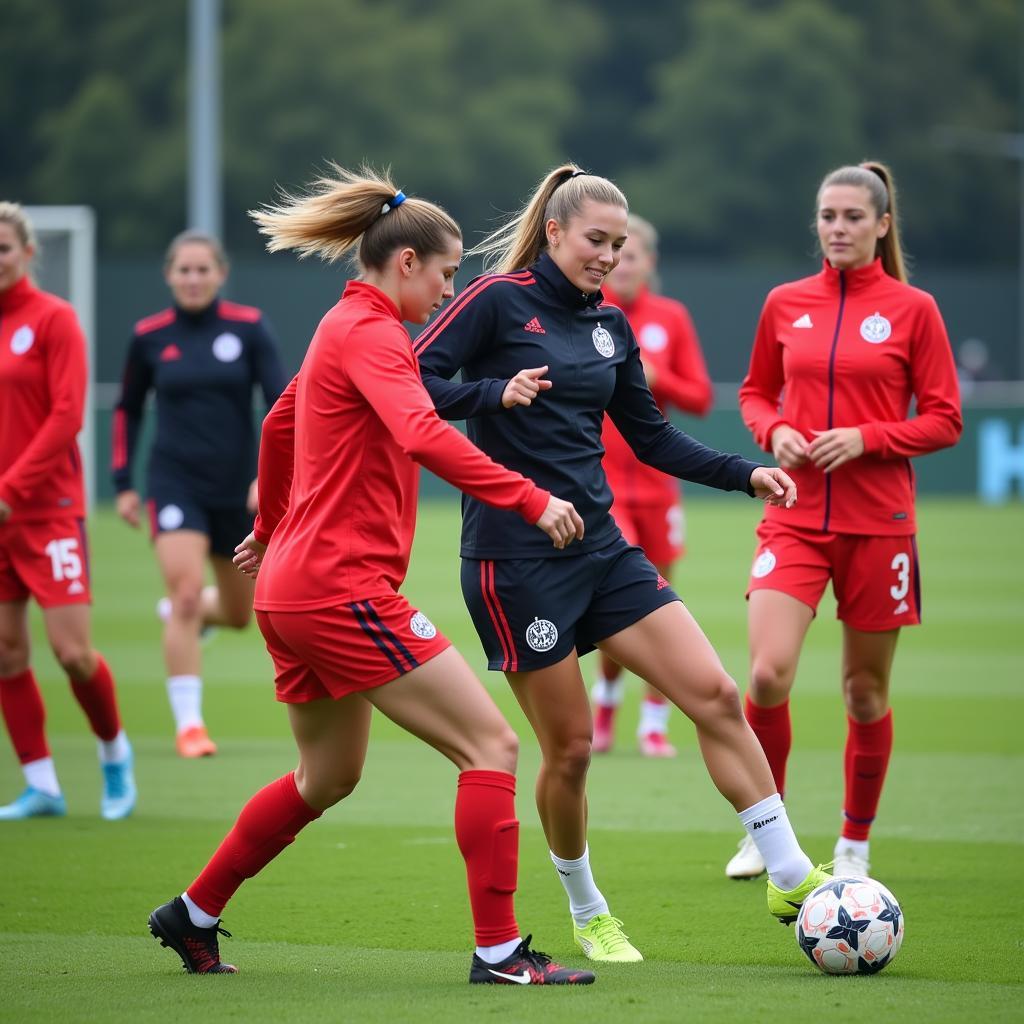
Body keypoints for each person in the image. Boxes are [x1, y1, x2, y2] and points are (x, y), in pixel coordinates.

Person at [147, 165, 595, 985]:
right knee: (490, 746)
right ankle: (499, 952)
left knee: (328, 776)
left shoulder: (338, 325)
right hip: (339, 588)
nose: (449, 288)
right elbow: (421, 433)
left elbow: (280, 422)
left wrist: (270, 528)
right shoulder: (377, 333)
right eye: (448, 272)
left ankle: (193, 912)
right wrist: (531, 499)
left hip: (291, 586)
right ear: (407, 263)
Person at [415, 164, 829, 963]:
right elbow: (411, 381)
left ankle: (786, 870)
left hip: (602, 550)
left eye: (619, 242)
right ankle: (587, 906)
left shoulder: (609, 326)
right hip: (515, 561)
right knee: (568, 751)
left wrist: (744, 473)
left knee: (713, 692)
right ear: (556, 234)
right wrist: (492, 393)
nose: (607, 255)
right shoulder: (494, 301)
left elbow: (651, 436)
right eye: (595, 240)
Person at [725, 161, 962, 882]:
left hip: (879, 523)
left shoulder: (914, 308)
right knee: (766, 675)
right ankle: (771, 836)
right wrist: (775, 433)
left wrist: (868, 438)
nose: (837, 228)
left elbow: (946, 418)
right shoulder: (784, 302)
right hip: (793, 516)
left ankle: (853, 847)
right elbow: (755, 392)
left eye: (853, 217)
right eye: (828, 216)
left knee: (864, 692)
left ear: (882, 225)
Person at [112, 230, 287, 757]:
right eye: (183, 270)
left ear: (220, 272)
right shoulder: (149, 336)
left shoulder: (250, 328)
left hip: (238, 492)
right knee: (185, 592)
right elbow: (127, 408)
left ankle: (184, 615)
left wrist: (268, 477)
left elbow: (282, 406)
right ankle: (190, 726)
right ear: (169, 275)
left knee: (239, 615)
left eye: (201, 269)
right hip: (174, 484)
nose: (192, 278)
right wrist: (123, 483)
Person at [0, 202, 135, 821]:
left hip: (45, 510)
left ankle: (114, 755)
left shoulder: (54, 320)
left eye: (4, 248)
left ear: (29, 253)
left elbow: (66, 416)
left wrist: (13, 487)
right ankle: (42, 785)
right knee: (5, 652)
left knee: (72, 652)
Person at [591, 214, 714, 758]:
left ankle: (654, 719)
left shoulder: (670, 318)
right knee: (623, 597)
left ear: (650, 262)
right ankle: (607, 706)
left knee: (661, 598)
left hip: (660, 483)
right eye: (615, 251)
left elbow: (702, 397)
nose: (621, 262)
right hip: (605, 481)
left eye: (632, 252)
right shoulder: (589, 314)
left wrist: (658, 378)